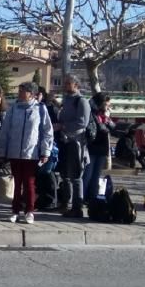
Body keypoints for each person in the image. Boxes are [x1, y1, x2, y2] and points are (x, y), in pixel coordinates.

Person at [0, 82, 53, 224]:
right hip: (14, 152)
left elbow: (47, 131)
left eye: (23, 91)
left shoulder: (40, 109)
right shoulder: (13, 109)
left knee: (29, 183)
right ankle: (15, 211)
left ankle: (29, 211)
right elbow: (5, 131)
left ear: (31, 94)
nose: (20, 93)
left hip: (31, 153)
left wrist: (45, 151)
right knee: (16, 182)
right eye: (19, 90)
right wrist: (2, 151)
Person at [55, 74, 91, 218]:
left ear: (76, 85)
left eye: (68, 83)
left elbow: (82, 123)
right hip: (64, 141)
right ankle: (66, 203)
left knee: (76, 176)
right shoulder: (66, 101)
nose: (65, 86)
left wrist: (63, 126)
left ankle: (77, 207)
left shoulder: (81, 102)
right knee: (66, 175)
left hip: (76, 144)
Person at [84, 92, 115, 203]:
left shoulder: (104, 114)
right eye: (107, 104)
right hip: (92, 147)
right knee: (87, 175)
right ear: (101, 103)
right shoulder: (91, 112)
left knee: (96, 176)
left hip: (102, 149)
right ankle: (81, 198)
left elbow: (113, 127)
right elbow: (100, 128)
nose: (108, 107)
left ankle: (92, 198)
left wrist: (107, 119)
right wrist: (105, 121)